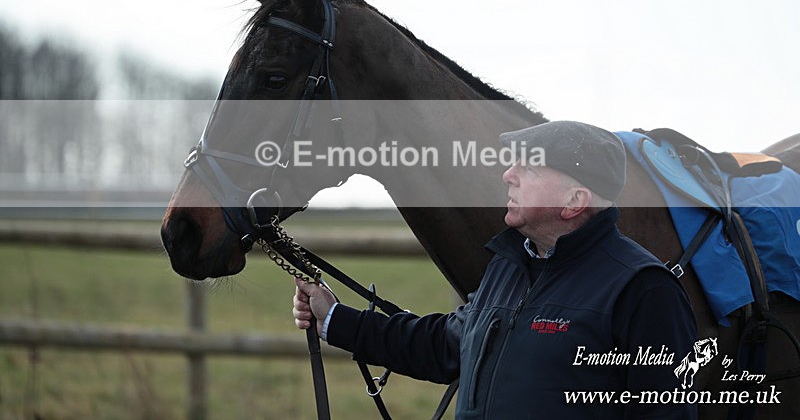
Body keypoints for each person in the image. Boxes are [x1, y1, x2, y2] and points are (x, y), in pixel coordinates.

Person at [293, 121, 698, 418]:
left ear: (575, 200)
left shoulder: (642, 290)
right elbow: (445, 346)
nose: (509, 175)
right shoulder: (509, 267)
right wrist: (335, 319)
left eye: (530, 168)